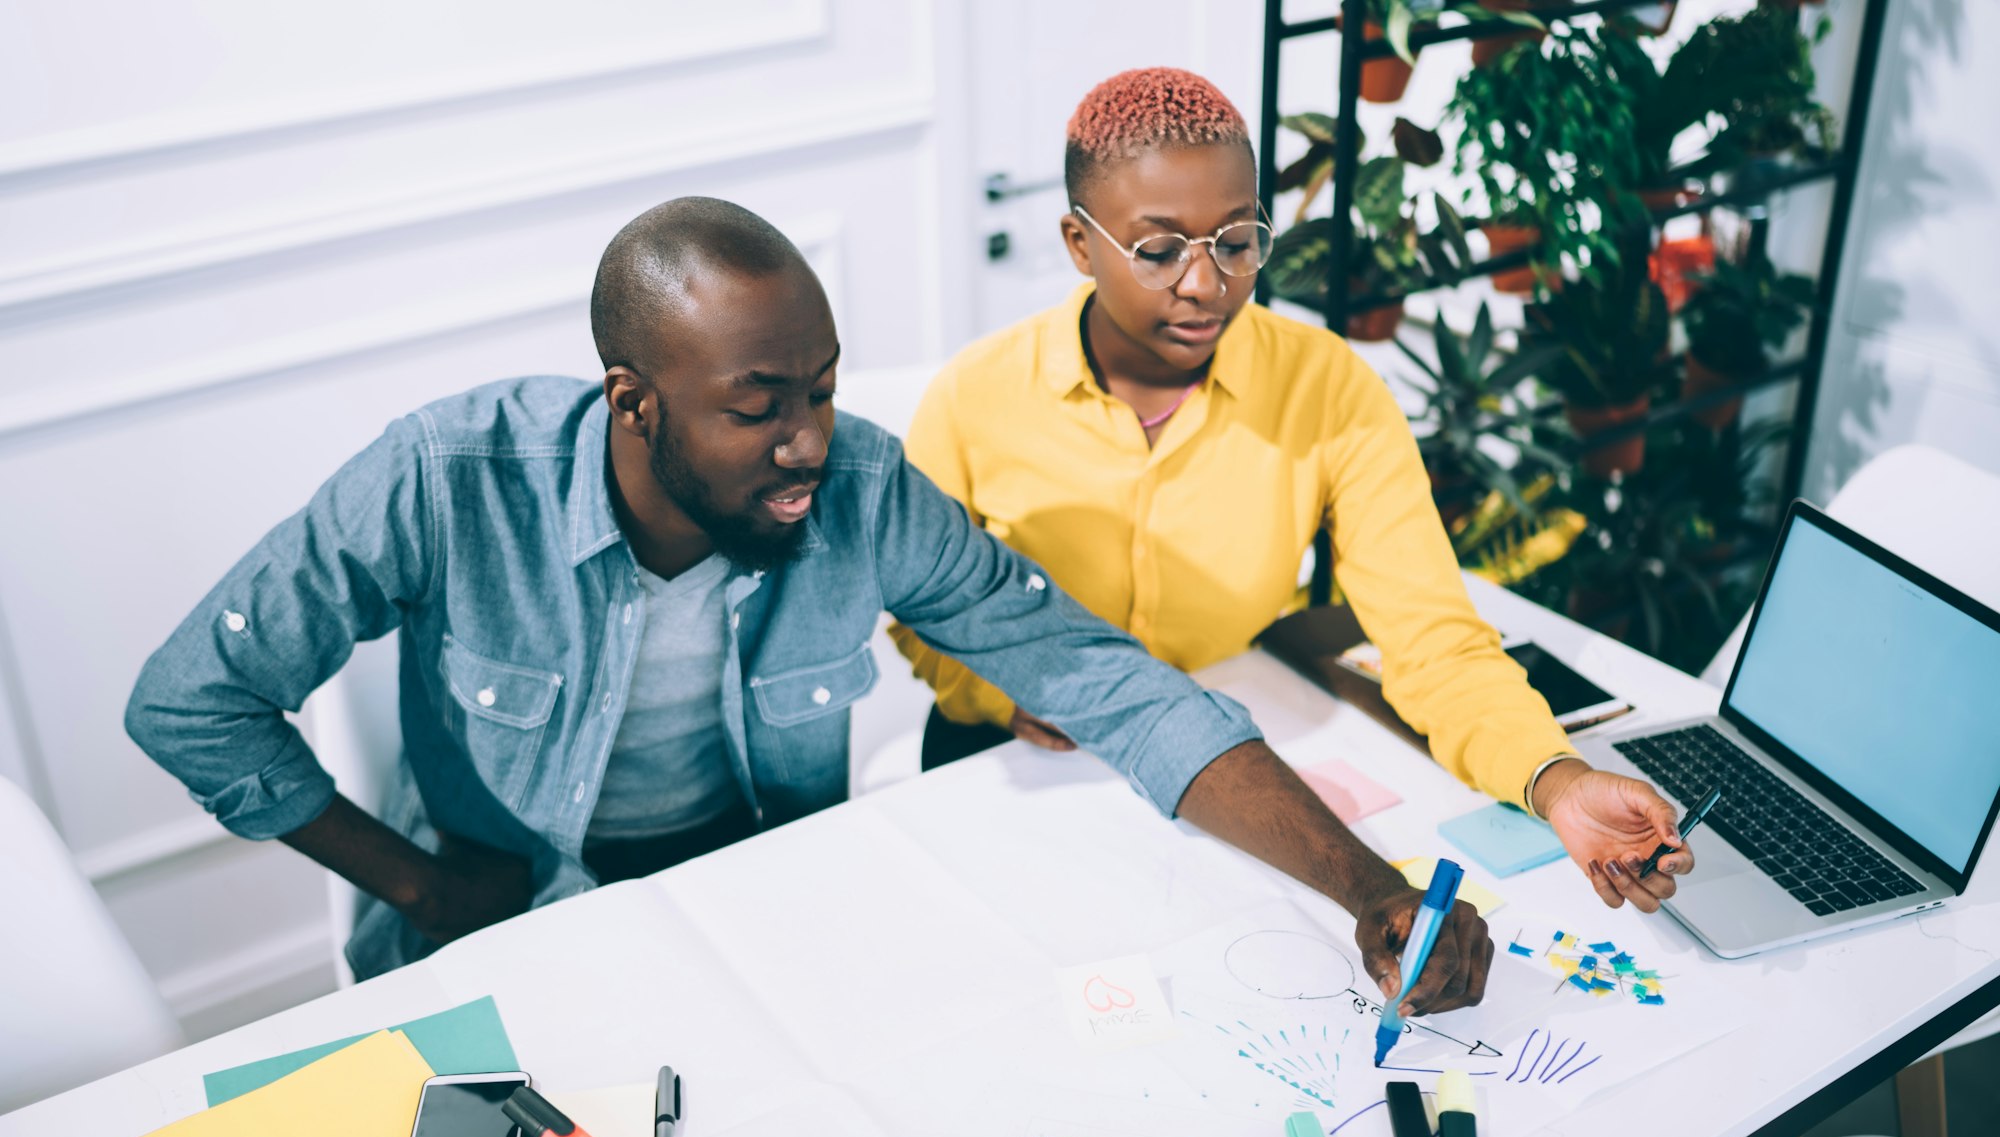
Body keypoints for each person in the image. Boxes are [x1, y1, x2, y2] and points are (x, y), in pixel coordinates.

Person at [126, 196, 1494, 1012]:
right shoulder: (445, 477)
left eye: (824, 389)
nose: (808, 443)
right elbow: (190, 700)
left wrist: (1372, 892)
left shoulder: (862, 490)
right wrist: (419, 883)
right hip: (510, 930)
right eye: (757, 408)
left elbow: (1104, 679)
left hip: (761, 908)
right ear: (633, 400)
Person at [889, 68, 1694, 913]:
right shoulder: (975, 397)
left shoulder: (1327, 387)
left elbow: (1430, 637)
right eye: (1158, 252)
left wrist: (1555, 780)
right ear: (1080, 244)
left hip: (1231, 772)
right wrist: (1009, 691)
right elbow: (917, 613)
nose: (1205, 286)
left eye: (1236, 243)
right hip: (1020, 764)